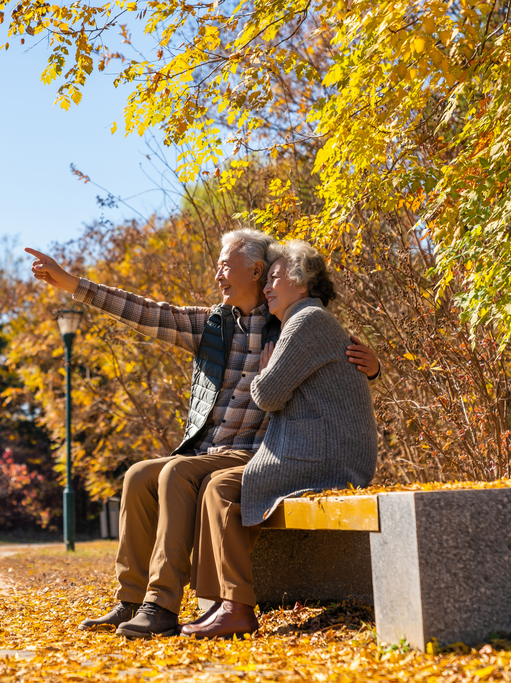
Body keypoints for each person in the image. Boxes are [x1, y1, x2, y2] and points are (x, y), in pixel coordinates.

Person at [25, 229, 379, 639]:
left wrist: (373, 367)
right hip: (211, 450)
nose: (218, 276)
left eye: (226, 266)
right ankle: (131, 600)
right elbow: (145, 312)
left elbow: (339, 364)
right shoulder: (213, 325)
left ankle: (161, 605)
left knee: (177, 473)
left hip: (260, 453)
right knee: (139, 475)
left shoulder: (287, 321)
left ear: (257, 270)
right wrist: (72, 284)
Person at [181, 240, 378, 640]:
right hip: (316, 449)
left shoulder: (307, 320)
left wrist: (264, 369)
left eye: (275, 277)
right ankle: (223, 603)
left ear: (302, 282)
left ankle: (234, 607)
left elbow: (268, 395)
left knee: (221, 489)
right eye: (266, 277)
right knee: (218, 486)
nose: (268, 286)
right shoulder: (305, 320)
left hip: (325, 456)